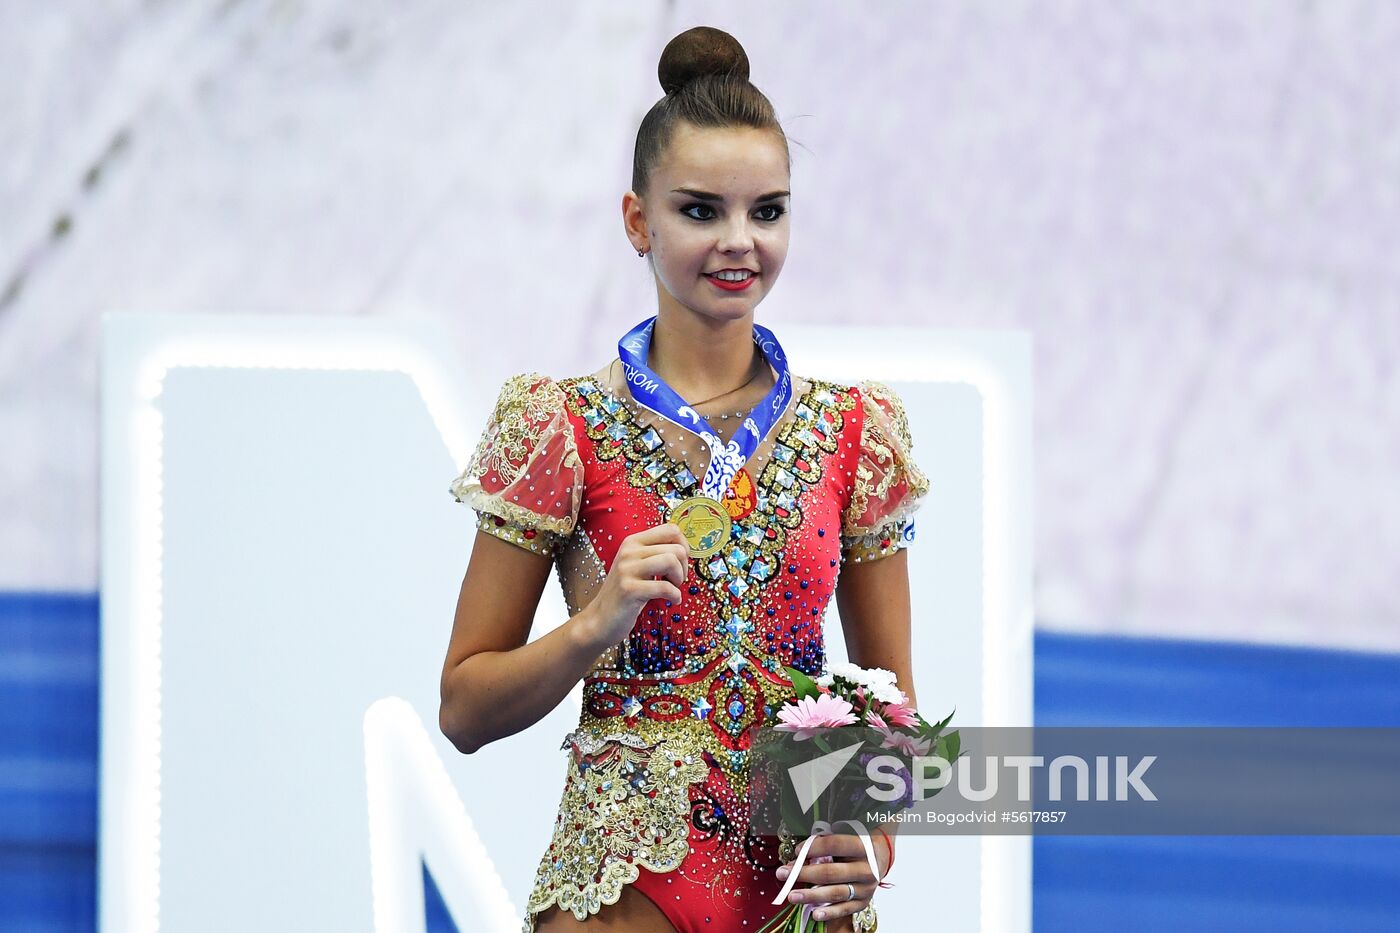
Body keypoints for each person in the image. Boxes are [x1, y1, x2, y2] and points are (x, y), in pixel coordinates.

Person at [439, 25, 930, 933]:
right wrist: (593, 626)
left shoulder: (855, 432)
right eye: (701, 210)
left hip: (799, 897)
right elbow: (464, 708)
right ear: (638, 220)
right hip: (623, 893)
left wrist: (874, 841)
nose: (739, 241)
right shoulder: (562, 426)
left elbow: (889, 701)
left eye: (768, 211)